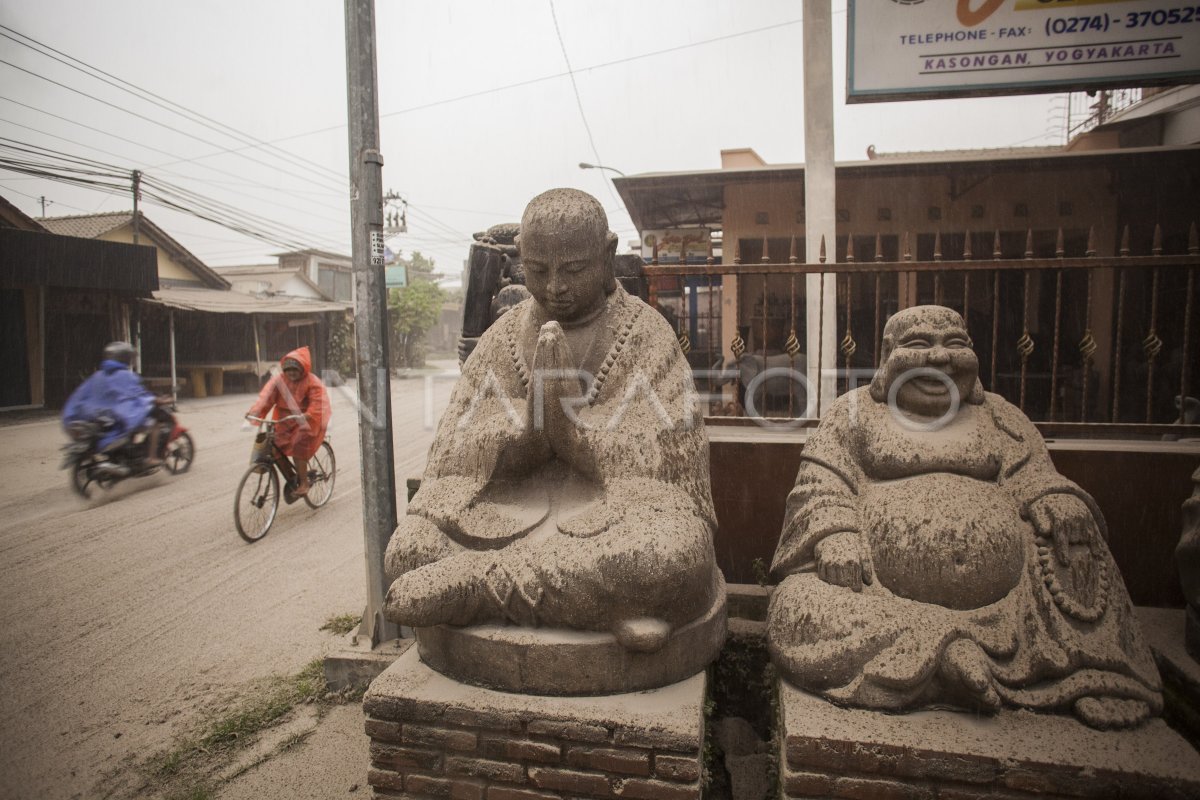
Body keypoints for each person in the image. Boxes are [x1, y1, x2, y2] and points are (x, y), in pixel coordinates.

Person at [767, 305, 1162, 729]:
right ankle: (947, 655)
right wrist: (835, 532)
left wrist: (1054, 497)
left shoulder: (1001, 417)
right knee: (796, 611)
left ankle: (1089, 670)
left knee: (1077, 543)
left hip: (1016, 606)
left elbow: (1035, 473)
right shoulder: (853, 414)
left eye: (955, 344)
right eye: (919, 344)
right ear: (886, 356)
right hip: (876, 592)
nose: (940, 357)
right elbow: (820, 482)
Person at [384, 188, 723, 655]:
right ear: (522, 258)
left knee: (677, 558)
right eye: (538, 271)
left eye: (574, 270)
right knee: (408, 550)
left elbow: (670, 458)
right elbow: (455, 450)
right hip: (509, 512)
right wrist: (530, 432)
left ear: (606, 256)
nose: (555, 288)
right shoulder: (502, 337)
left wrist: (574, 433)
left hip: (613, 521)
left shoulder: (646, 335)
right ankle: (597, 603)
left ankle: (478, 588)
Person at [63, 341, 168, 468]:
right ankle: (151, 458)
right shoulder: (125, 376)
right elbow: (139, 395)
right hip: (116, 418)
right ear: (126, 358)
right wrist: (159, 400)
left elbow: (80, 396)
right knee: (153, 424)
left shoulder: (97, 375)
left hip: (94, 417)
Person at [246, 346, 330, 497]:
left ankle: (304, 483)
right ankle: (292, 478)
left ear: (303, 369)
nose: (291, 372)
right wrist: (255, 412)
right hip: (284, 420)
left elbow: (319, 403)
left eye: (295, 369)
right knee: (273, 446)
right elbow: (266, 397)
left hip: (307, 421)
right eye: (288, 369)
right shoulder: (278, 381)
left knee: (298, 445)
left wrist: (308, 414)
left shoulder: (312, 382)